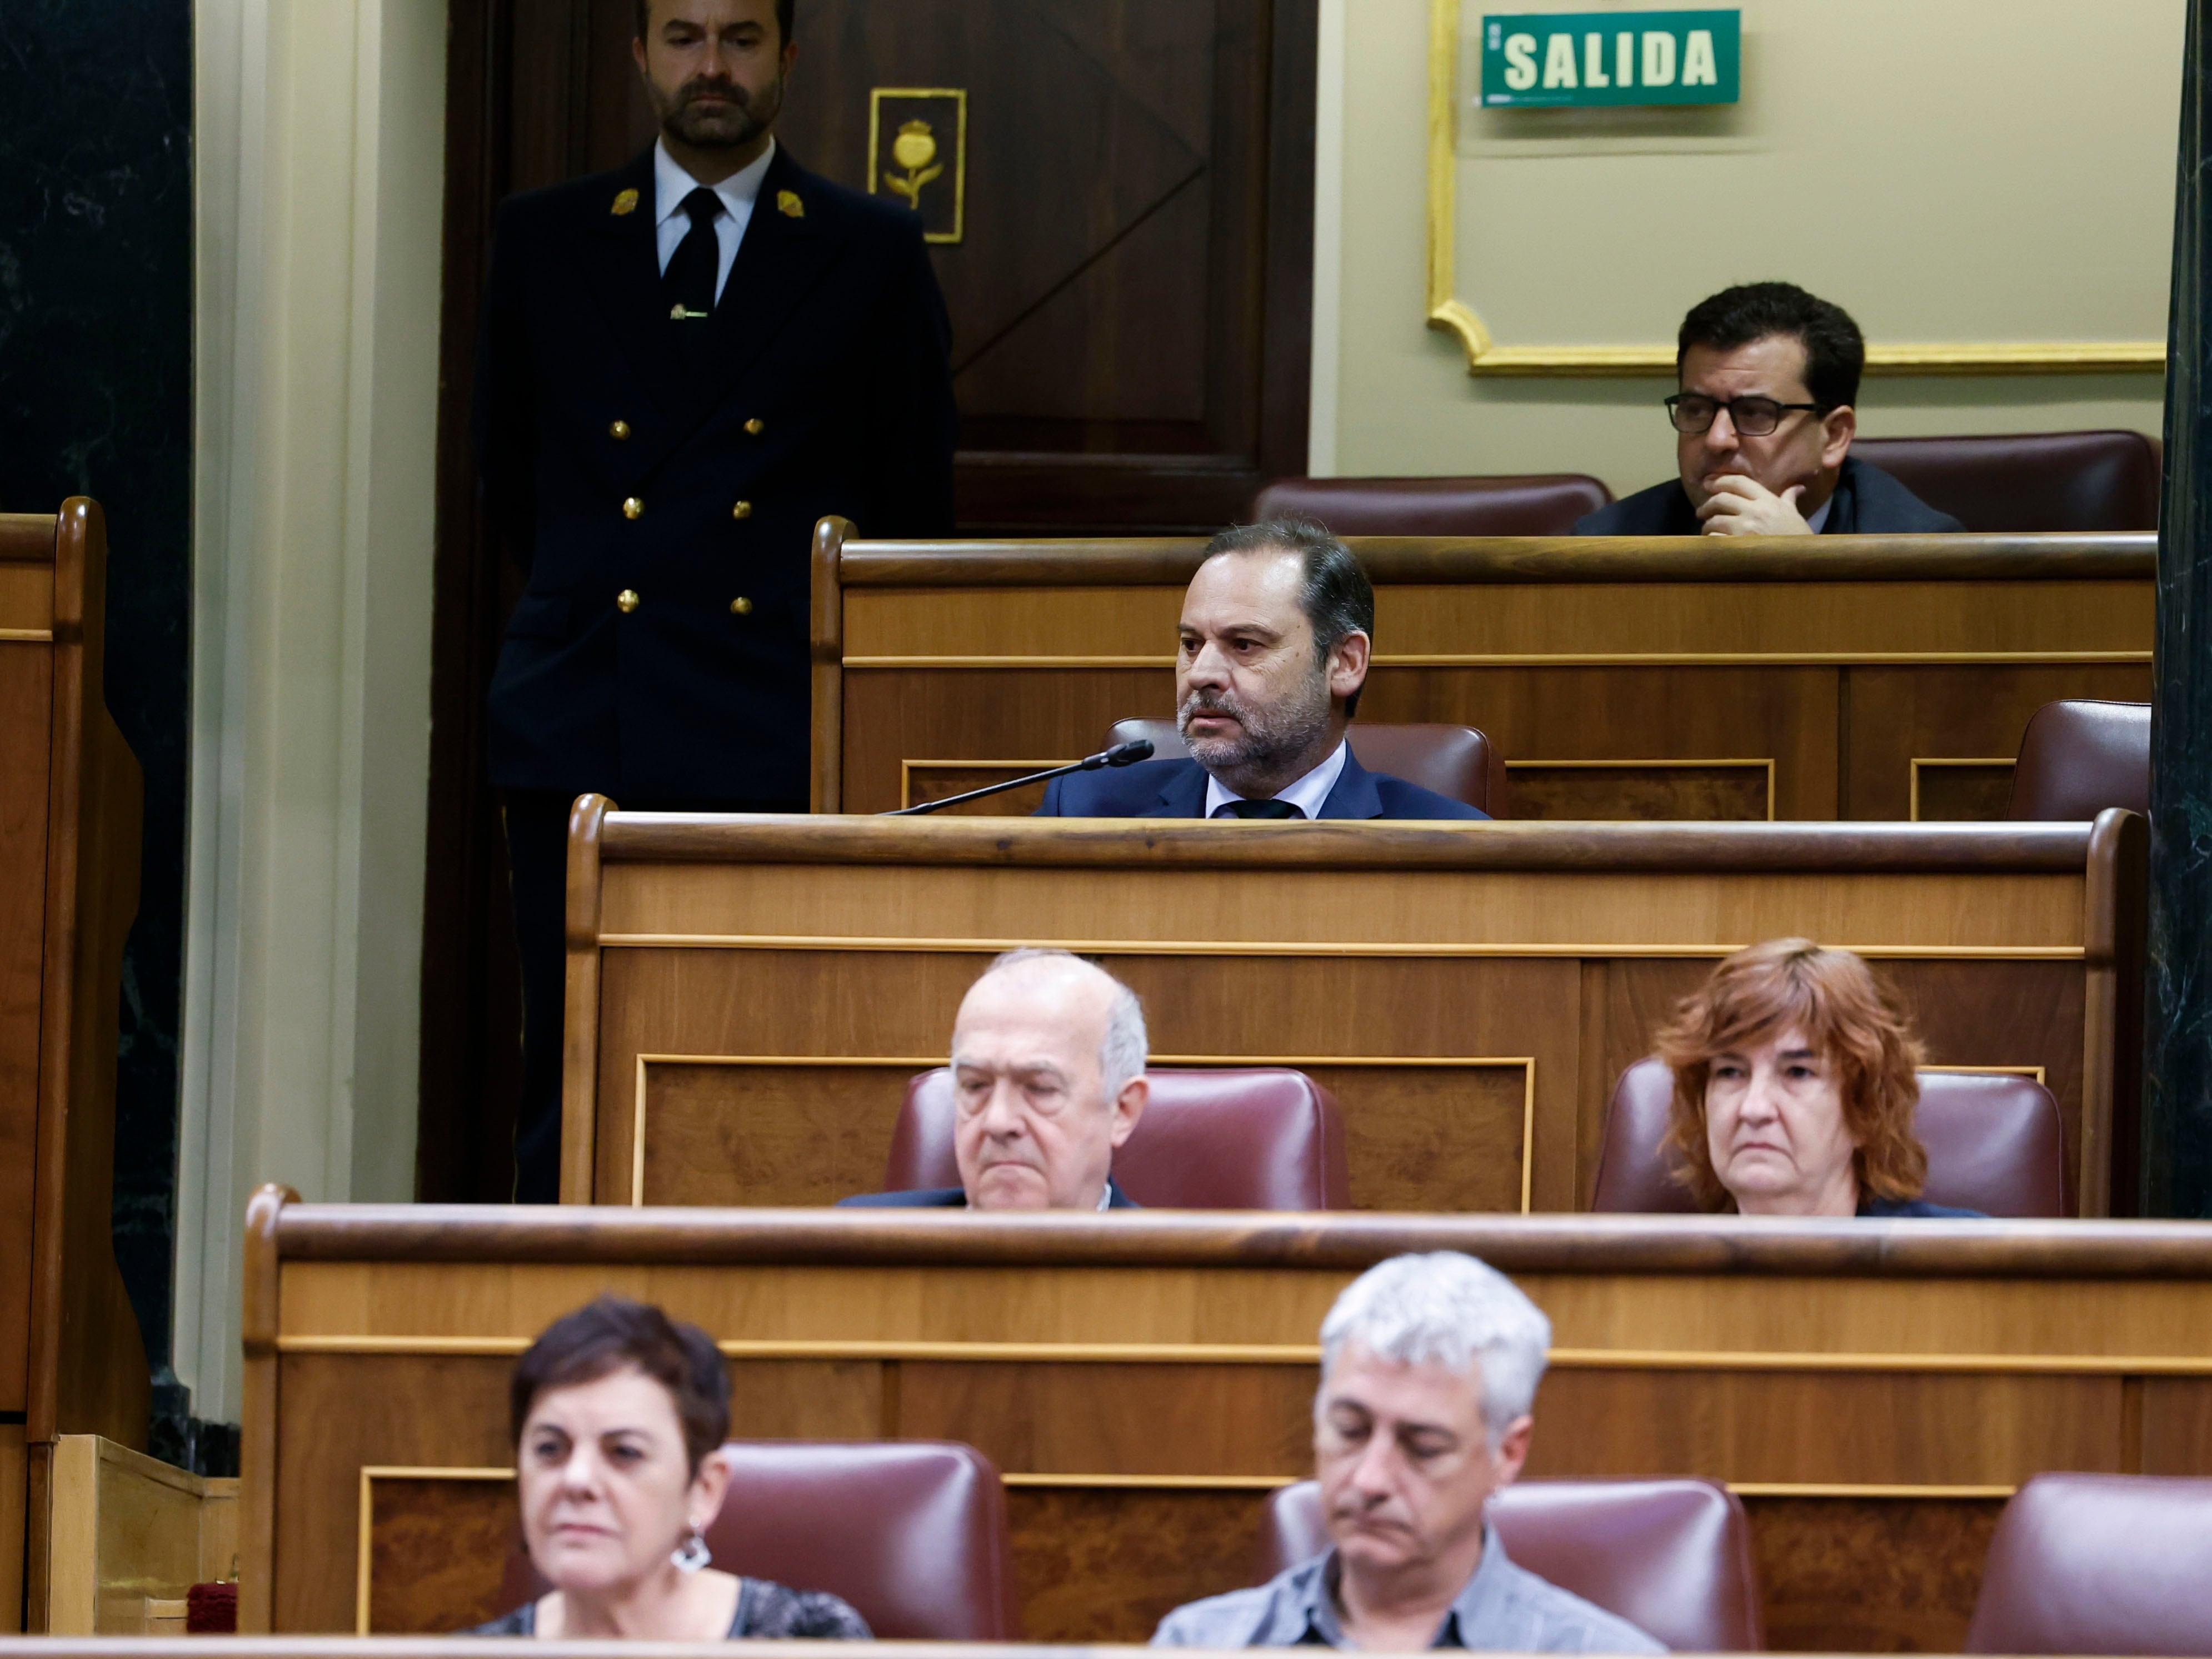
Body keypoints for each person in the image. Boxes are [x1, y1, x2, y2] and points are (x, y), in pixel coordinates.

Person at [478, 0, 958, 1202]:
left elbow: (911, 512)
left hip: (771, 723)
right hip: (582, 707)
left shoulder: (868, 249)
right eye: (683, 36)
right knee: (573, 1048)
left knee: (759, 1052)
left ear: (785, 59)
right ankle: (561, 1329)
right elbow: (507, 478)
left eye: (739, 38)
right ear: (637, 54)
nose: (711, 67)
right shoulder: (542, 239)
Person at [1154, 1253, 1662, 1652]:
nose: (1370, 1480)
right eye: (1349, 1430)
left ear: (1507, 1454)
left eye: (1423, 1447)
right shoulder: (1199, 1644)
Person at [469, 1295, 871, 1638]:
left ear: (703, 1490)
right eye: (550, 1448)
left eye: (624, 1452)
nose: (576, 1479)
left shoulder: (812, 1641)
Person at [1036, 520, 1487, 820]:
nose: (1200, 674)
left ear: (1344, 663)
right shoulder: (1086, 810)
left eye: (1245, 644)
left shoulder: (1448, 839)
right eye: (1191, 645)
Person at [1574, 282, 1963, 537]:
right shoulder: (1604, 543)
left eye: (1754, 412)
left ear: (1834, 435)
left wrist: (1803, 571)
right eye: (1696, 409)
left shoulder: (1921, 551)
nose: (1716, 438)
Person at [1653, 938, 1984, 1218]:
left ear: (1866, 1106)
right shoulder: (1649, 1280)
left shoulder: (1974, 1269)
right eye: (1730, 1072)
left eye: (1798, 1073)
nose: (1754, 1109)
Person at [841, 949, 1148, 1209]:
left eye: (1040, 1089)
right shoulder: (852, 1251)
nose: (997, 1122)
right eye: (975, 1086)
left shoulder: (1180, 1274)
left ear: (1122, 1110)